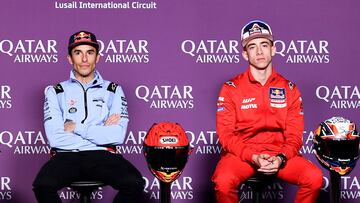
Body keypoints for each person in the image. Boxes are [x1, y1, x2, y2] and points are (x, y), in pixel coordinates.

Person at [212, 20, 323, 203]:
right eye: (252, 47)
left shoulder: (290, 89)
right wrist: (253, 156)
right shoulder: (231, 88)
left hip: (278, 153)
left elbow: (295, 136)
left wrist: (280, 158)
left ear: (273, 49)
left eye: (264, 45)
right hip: (243, 154)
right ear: (245, 54)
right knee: (223, 181)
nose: (259, 51)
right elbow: (225, 135)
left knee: (314, 178)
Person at [33, 31, 145, 203]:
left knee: (134, 183)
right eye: (78, 53)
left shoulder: (113, 90)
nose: (84, 59)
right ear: (70, 58)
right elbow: (55, 138)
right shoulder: (55, 92)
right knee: (42, 185)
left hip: (103, 156)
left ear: (97, 57)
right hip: (66, 156)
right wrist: (100, 134)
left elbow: (117, 136)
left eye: (90, 53)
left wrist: (76, 127)